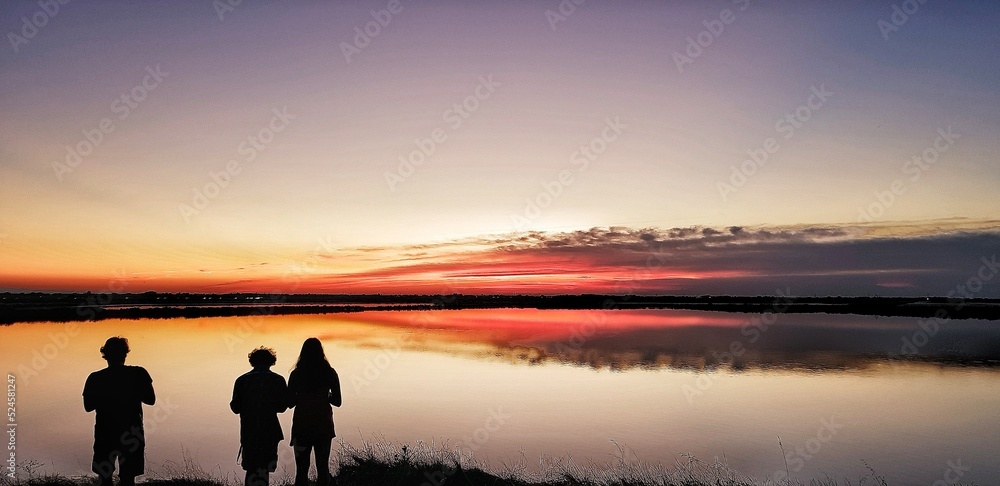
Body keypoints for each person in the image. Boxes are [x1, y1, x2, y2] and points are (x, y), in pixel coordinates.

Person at [83, 337, 156, 486]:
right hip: (131, 431)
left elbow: (88, 406)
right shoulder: (139, 373)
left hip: (105, 432)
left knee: (104, 477)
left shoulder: (95, 378)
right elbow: (150, 400)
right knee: (128, 478)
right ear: (125, 354)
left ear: (105, 354)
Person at [231, 347, 289, 486]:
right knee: (264, 469)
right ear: (271, 362)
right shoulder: (278, 380)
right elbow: (282, 407)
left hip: (249, 429)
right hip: (270, 430)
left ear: (252, 361)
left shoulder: (242, 380)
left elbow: (235, 408)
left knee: (251, 468)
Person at [288, 338, 342, 486]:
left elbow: (290, 403)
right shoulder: (329, 373)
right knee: (323, 468)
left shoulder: (296, 374)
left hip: (302, 426)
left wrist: (301, 397)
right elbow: (338, 401)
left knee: (301, 470)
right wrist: (326, 396)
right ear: (321, 352)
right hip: (323, 425)